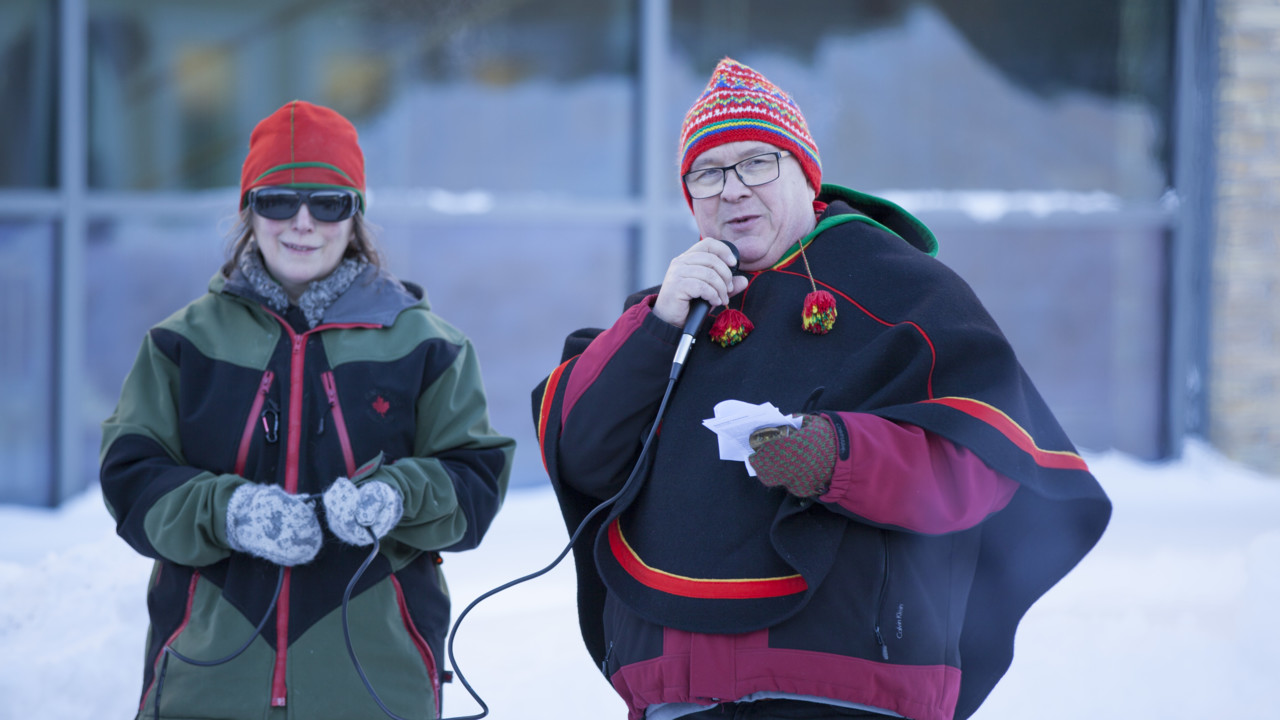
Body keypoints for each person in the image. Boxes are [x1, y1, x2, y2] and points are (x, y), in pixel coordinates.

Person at [532, 58, 1111, 720]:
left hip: (841, 687)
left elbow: (982, 469)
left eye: (757, 162)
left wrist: (836, 453)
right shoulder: (665, 317)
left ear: (808, 177)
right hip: (678, 694)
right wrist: (657, 324)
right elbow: (582, 453)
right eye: (709, 173)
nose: (733, 189)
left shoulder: (905, 289)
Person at [100, 100, 514, 720]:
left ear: (355, 216)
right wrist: (231, 512)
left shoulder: (427, 344)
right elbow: (131, 479)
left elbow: (475, 483)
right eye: (277, 200)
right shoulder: (180, 344)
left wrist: (397, 496)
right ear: (249, 209)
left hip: (376, 693)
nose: (302, 222)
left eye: (328, 202)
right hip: (205, 692)